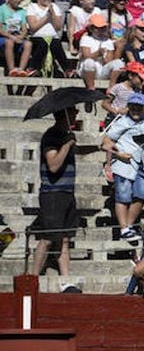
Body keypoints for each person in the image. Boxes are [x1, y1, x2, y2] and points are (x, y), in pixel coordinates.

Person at [100, 93, 144, 246]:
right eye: (133, 107)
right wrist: (118, 154)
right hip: (123, 163)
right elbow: (105, 143)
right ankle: (124, 228)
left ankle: (129, 226)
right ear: (129, 107)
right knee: (123, 196)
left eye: (139, 107)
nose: (136, 110)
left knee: (142, 193)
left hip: (138, 164)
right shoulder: (122, 122)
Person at [31, 108, 81, 291]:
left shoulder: (65, 135)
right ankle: (33, 278)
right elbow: (53, 165)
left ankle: (66, 280)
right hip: (53, 193)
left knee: (65, 238)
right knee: (47, 238)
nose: (76, 116)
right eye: (73, 113)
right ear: (63, 116)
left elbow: (78, 151)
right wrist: (67, 145)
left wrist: (100, 148)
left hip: (67, 192)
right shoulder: (51, 136)